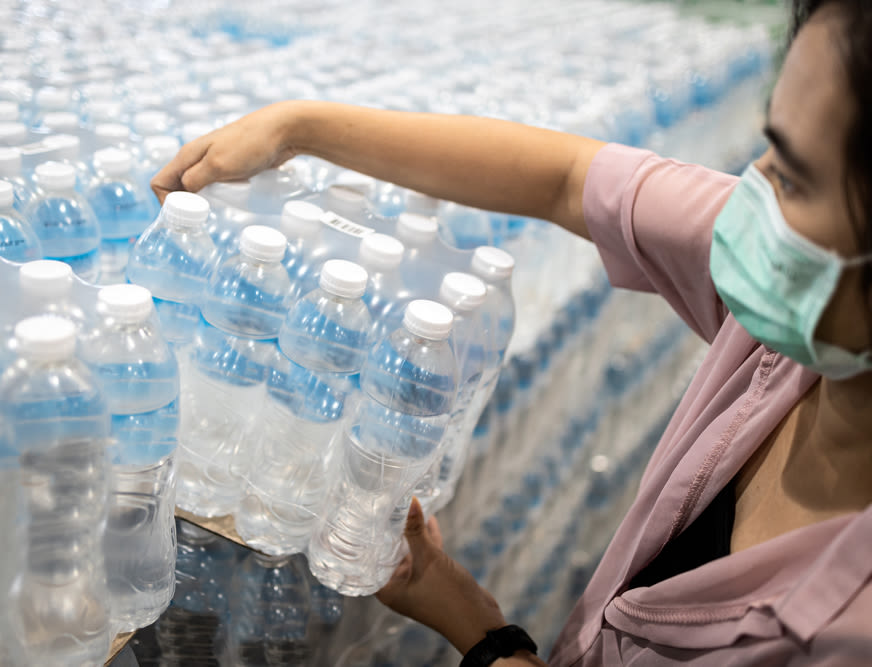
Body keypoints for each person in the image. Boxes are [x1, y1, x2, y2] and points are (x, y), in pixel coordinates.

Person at [152, 0, 872, 663]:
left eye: (794, 179)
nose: (750, 194)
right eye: (764, 147)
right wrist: (296, 128)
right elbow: (562, 177)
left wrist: (487, 640)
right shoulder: (807, 308)